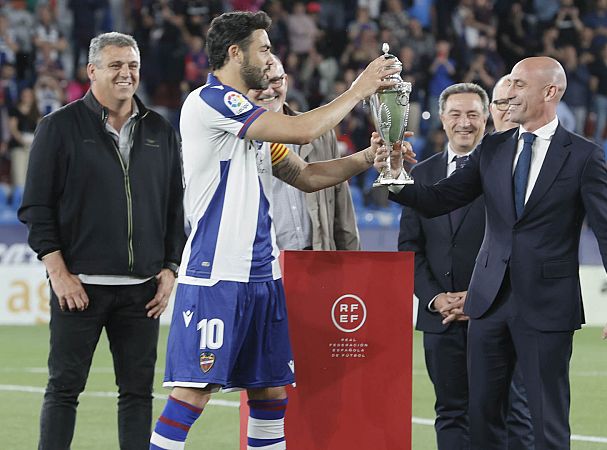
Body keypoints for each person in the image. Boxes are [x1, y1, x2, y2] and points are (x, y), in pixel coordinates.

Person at [149, 11, 401, 450]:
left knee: (269, 393)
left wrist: (366, 158)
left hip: (262, 275)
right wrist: (361, 88)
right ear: (235, 53)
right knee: (194, 390)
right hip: (218, 274)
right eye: (263, 48)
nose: (269, 58)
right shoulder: (210, 102)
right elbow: (303, 130)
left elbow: (306, 175)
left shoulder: (254, 124)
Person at [384, 56, 607, 449]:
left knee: (545, 422)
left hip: (547, 306)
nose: (508, 93)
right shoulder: (495, 148)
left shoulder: (584, 155)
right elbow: (437, 200)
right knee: (483, 419)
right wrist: (395, 172)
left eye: (519, 85)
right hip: (488, 303)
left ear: (550, 92)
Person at [17, 32, 185, 450]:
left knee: (137, 396)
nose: (126, 73)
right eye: (115, 65)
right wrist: (59, 274)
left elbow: (173, 208)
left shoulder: (161, 130)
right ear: (92, 71)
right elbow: (36, 209)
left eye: (132, 65)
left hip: (142, 294)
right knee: (63, 391)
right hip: (80, 290)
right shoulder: (58, 128)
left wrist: (169, 268)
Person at [398, 82, 532, 450]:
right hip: (439, 320)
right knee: (451, 413)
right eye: (455, 114)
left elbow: (517, 245)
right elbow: (410, 247)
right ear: (442, 119)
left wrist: (479, 298)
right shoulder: (420, 175)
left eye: (473, 114)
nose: (464, 122)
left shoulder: (510, 171)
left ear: (487, 117)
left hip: (494, 315)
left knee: (509, 411)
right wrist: (436, 298)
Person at [248, 56, 360, 251]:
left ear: (286, 81)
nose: (268, 90)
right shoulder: (236, 142)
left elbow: (342, 213)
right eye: (259, 84)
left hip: (317, 261)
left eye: (275, 80)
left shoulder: (321, 134)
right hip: (264, 267)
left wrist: (353, 266)